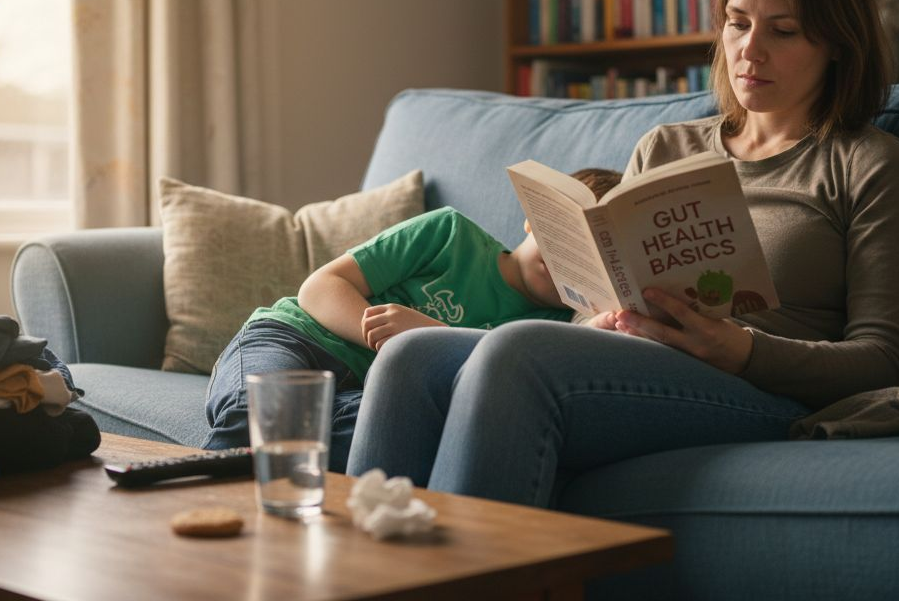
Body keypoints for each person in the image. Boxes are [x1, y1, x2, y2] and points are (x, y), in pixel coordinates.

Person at [345, 0, 899, 507]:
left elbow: (886, 360)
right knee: (410, 355)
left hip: (762, 390)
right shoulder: (666, 148)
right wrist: (597, 323)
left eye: (782, 31)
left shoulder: (871, 166)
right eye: (736, 24)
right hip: (636, 361)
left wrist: (744, 350)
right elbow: (592, 306)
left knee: (515, 353)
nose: (748, 50)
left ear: (837, 42)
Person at [203, 168, 623, 471]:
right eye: (564, 238)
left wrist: (429, 337)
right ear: (534, 220)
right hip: (297, 337)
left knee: (393, 439)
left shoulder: (549, 329)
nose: (564, 263)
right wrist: (389, 335)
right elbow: (320, 288)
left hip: (371, 391)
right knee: (262, 412)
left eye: (587, 260)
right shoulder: (450, 234)